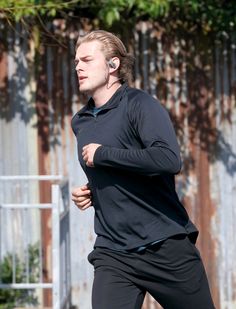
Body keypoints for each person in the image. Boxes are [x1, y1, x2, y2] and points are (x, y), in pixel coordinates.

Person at [71, 30, 215, 309]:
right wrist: (92, 191)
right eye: (76, 61)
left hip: (165, 246)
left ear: (113, 65)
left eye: (87, 60)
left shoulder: (140, 105)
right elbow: (116, 172)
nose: (78, 66)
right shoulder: (81, 121)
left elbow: (168, 159)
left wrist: (104, 155)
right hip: (113, 252)